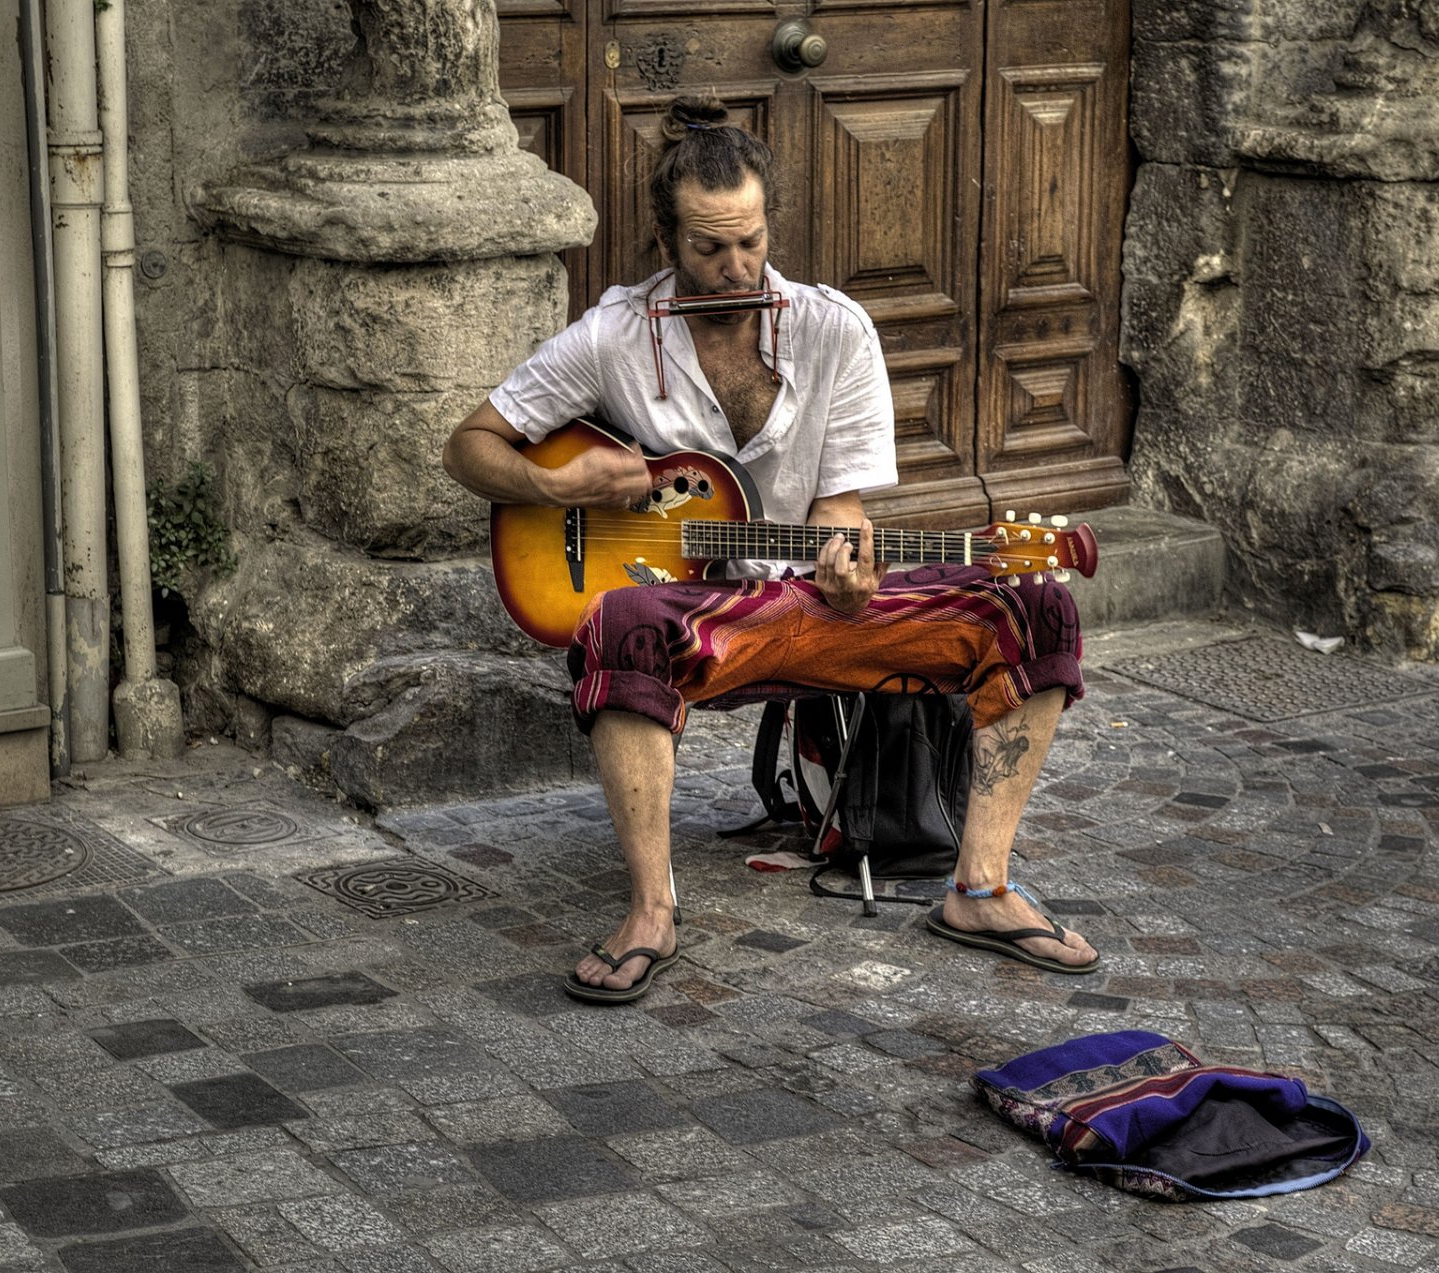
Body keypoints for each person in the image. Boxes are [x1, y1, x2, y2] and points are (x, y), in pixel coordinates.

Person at [442, 95, 1096, 1003]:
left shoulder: (836, 330)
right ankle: (650, 911)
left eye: (748, 242)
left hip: (815, 607)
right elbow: (466, 444)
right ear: (666, 240)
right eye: (709, 248)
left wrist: (853, 580)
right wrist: (560, 486)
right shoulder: (614, 336)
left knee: (1036, 607)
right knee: (620, 616)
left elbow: (842, 513)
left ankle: (980, 886)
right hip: (697, 617)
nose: (734, 266)